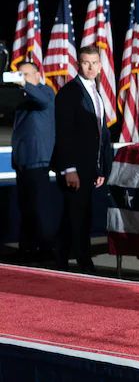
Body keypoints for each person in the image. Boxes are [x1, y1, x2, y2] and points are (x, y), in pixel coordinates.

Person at [51, 46, 113, 271]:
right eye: (86, 62)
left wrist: (101, 169)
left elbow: (100, 134)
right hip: (74, 168)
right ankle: (85, 264)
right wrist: (69, 169)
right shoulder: (70, 92)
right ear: (79, 63)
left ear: (100, 65)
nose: (91, 67)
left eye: (95, 62)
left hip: (90, 168)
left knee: (73, 216)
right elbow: (64, 133)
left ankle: (59, 259)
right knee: (79, 217)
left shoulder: (95, 92)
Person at [10, 61, 56, 262]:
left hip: (38, 161)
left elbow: (43, 102)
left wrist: (24, 84)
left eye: (26, 74)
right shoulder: (23, 98)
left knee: (40, 209)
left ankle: (45, 250)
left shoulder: (45, 92)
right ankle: (26, 248)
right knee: (26, 208)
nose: (22, 78)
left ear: (38, 76)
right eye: (19, 75)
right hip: (22, 161)